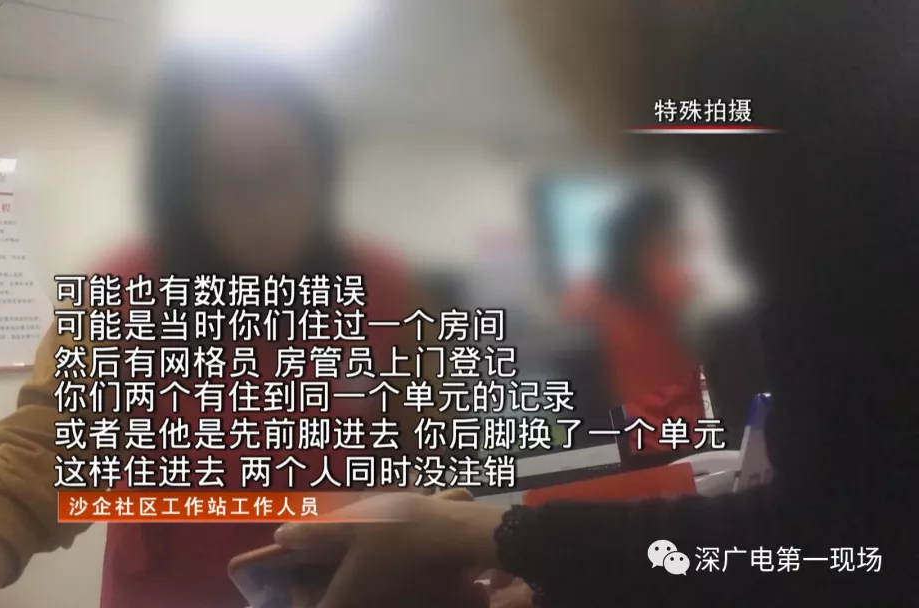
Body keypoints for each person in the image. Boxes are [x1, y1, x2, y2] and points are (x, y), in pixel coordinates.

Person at [273, 2, 919, 607]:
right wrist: (549, 556)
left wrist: (490, 535)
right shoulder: (849, 63)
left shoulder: (779, 81)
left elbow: (842, 540)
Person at [0, 56, 448, 608]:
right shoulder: (121, 290)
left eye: (283, 171)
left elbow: (425, 450)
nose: (264, 209)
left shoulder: (386, 289)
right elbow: (36, 462)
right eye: (229, 181)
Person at [564, 185, 704, 459]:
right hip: (681, 437)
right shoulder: (675, 284)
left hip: (633, 440)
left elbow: (568, 318)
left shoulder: (592, 291)